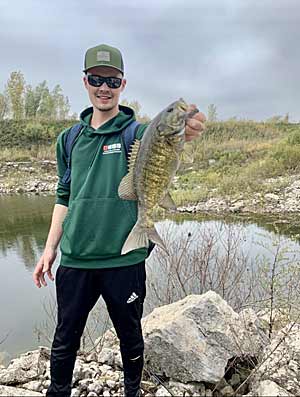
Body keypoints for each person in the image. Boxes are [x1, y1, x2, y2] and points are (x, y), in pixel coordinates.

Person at [32, 43, 206, 397]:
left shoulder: (137, 133)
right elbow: (64, 195)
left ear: (123, 85)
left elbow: (168, 138)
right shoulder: (68, 140)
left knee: (130, 335)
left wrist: (186, 127)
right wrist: (49, 248)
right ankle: (58, 391)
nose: (104, 87)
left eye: (112, 81)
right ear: (85, 81)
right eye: (97, 79)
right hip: (76, 258)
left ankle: (131, 390)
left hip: (124, 259)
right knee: (65, 338)